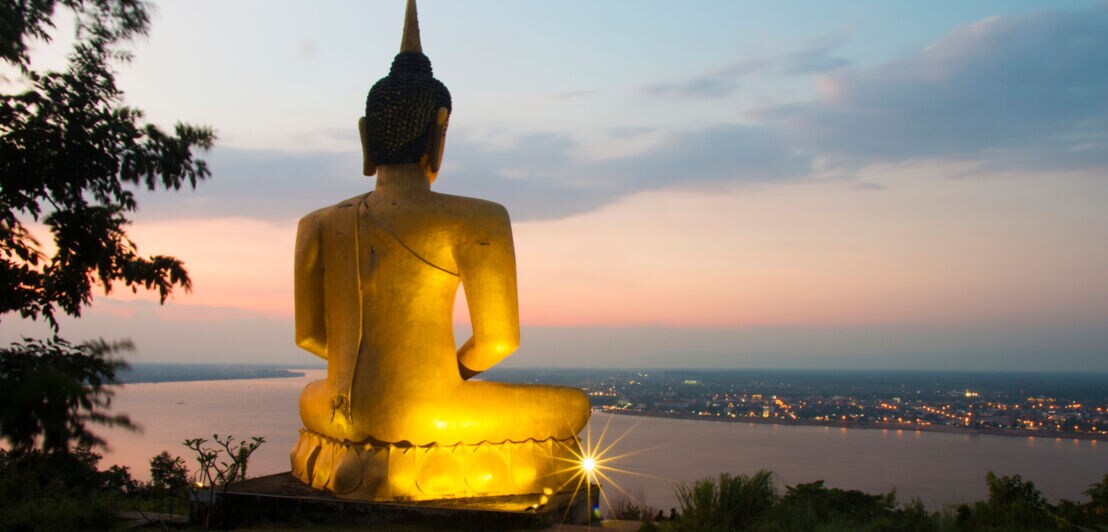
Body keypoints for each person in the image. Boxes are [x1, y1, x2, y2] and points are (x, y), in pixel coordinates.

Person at [293, 0, 589, 449]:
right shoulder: (478, 218)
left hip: (338, 409)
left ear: (365, 137)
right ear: (439, 130)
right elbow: (498, 341)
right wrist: (445, 375)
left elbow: (309, 335)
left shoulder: (316, 224)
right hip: (429, 411)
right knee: (572, 407)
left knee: (307, 399)